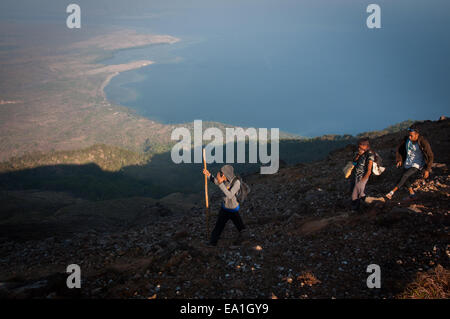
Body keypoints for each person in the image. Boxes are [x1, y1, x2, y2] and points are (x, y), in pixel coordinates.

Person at [386, 126, 433, 200]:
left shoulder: (423, 142)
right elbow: (399, 149)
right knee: (405, 178)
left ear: (417, 135)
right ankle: (412, 194)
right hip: (408, 162)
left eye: (412, 136)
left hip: (417, 163)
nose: (410, 137)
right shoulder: (407, 140)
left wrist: (427, 169)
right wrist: (399, 159)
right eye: (409, 135)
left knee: (405, 175)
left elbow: (430, 155)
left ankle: (391, 192)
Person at [203, 164, 246, 246]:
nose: (220, 175)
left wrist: (220, 184)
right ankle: (212, 242)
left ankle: (245, 239)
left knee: (240, 226)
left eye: (222, 174)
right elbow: (217, 181)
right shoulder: (225, 180)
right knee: (218, 226)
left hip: (233, 209)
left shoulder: (236, 183)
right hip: (225, 208)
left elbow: (230, 195)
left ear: (227, 174)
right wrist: (208, 175)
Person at [350, 137, 374, 212]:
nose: (358, 147)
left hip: (361, 176)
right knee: (355, 191)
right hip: (355, 175)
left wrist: (364, 179)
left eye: (360, 145)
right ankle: (363, 206)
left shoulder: (370, 154)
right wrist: (358, 155)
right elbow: (353, 163)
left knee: (356, 193)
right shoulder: (359, 153)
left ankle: (357, 209)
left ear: (365, 146)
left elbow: (369, 169)